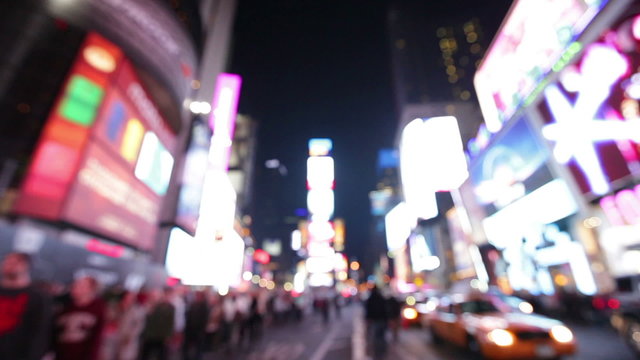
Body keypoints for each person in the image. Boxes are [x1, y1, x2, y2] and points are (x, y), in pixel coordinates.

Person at [0, 252, 52, 360]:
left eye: (15, 263)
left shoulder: (38, 297)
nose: (9, 265)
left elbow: (40, 333)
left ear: (26, 266)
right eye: (7, 261)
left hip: (16, 354)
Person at [53, 275, 106, 360]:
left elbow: (97, 339)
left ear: (91, 289)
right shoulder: (66, 306)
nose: (75, 286)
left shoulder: (98, 309)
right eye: (76, 284)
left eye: (81, 285)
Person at [139, 288, 175, 360]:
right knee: (145, 354)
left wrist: (168, 336)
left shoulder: (169, 307)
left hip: (160, 336)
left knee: (160, 355)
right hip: (149, 335)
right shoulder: (150, 306)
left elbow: (169, 323)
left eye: (156, 296)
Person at [183, 291, 209, 360]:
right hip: (190, 329)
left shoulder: (204, 307)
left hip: (198, 330)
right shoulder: (193, 305)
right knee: (188, 346)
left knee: (198, 346)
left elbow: (204, 319)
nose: (196, 297)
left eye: (198, 296)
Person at [365, 286, 389, 357]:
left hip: (375, 321)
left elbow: (368, 311)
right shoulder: (382, 298)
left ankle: (377, 353)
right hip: (383, 320)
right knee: (382, 337)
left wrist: (368, 320)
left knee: (376, 337)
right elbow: (386, 310)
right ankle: (382, 351)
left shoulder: (370, 299)